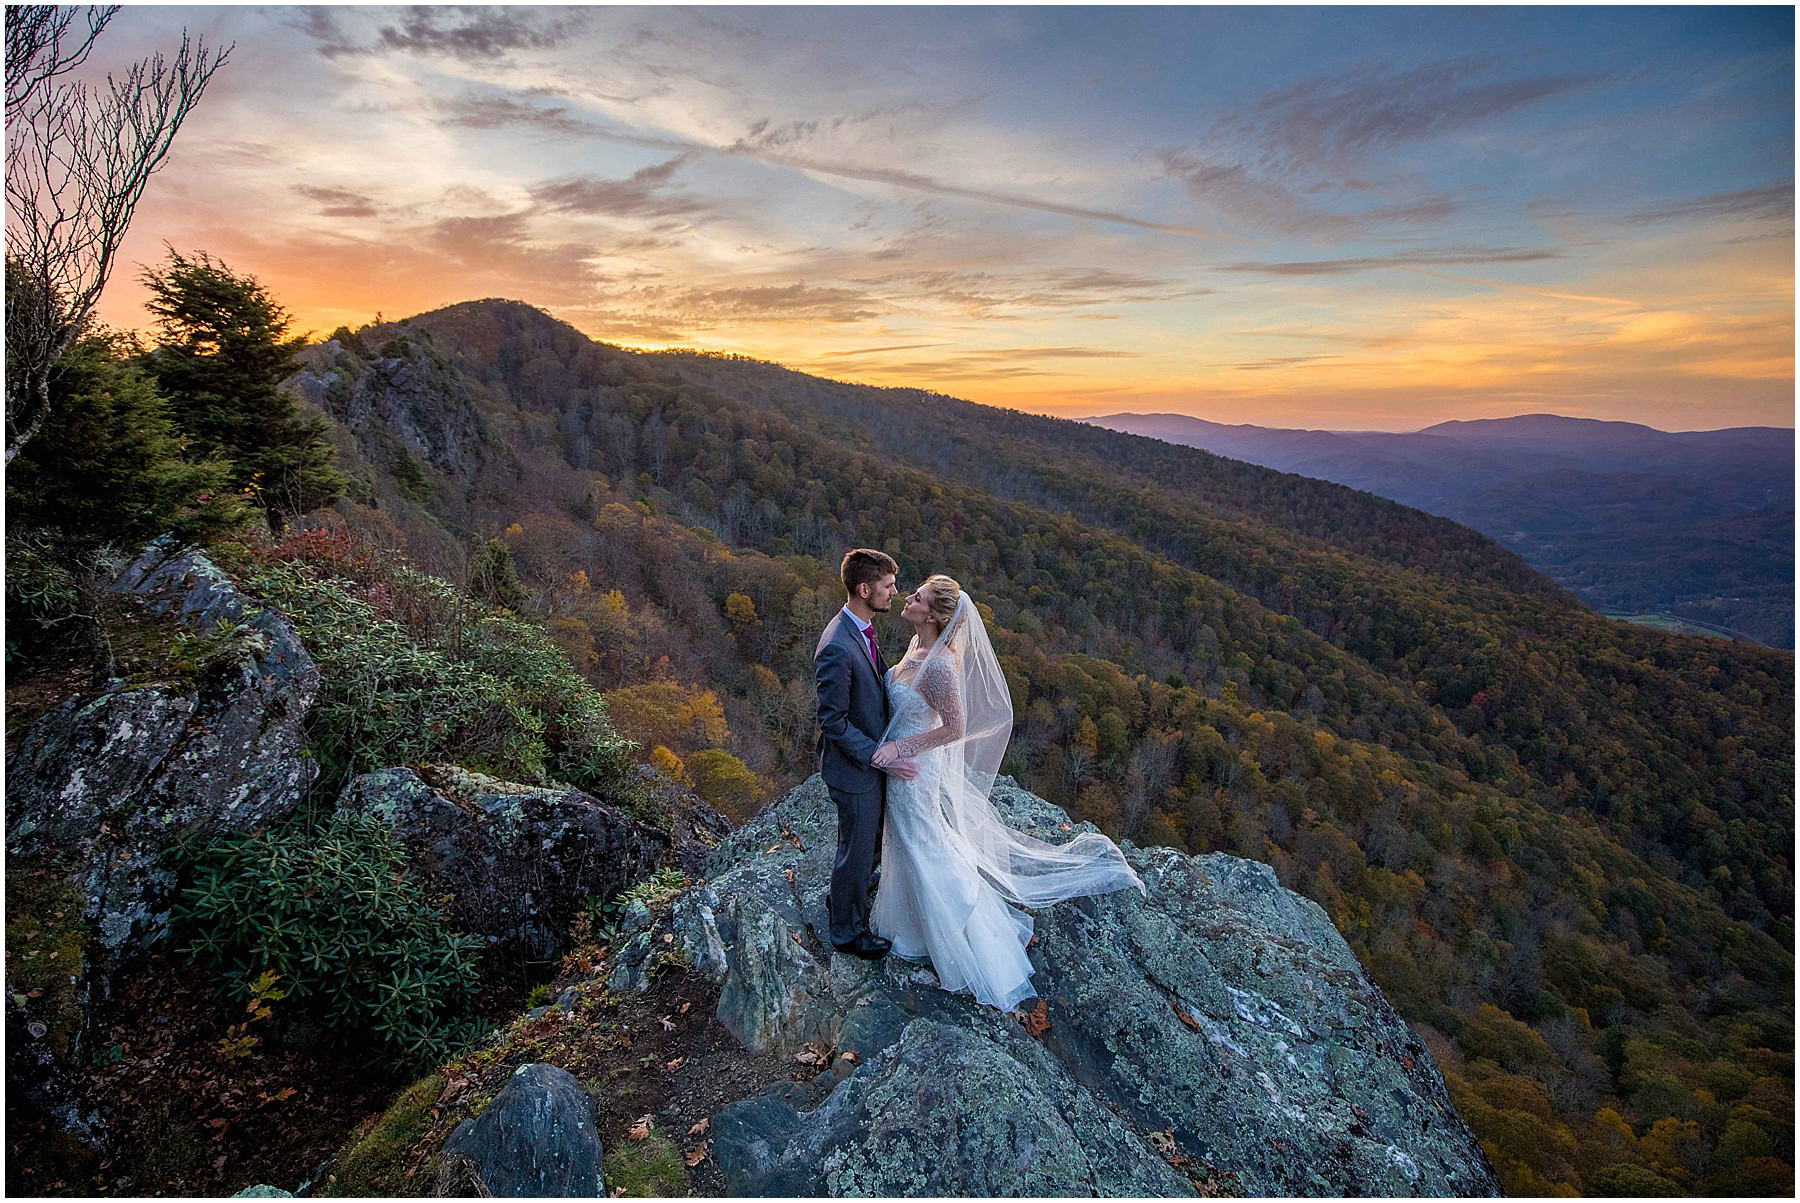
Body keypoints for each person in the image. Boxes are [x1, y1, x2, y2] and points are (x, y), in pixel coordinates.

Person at [870, 574, 1145, 1012]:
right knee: (905, 839)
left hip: (913, 770)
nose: (909, 597)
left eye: (918, 596)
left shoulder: (940, 665)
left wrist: (899, 748)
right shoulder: (914, 650)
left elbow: (956, 728)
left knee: (923, 841)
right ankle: (913, 921)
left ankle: (956, 919)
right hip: (901, 767)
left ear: (936, 615)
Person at [815, 548, 918, 960]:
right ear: (864, 588)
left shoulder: (861, 629)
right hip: (853, 769)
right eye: (888, 586)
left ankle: (845, 893)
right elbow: (833, 721)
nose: (895, 592)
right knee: (857, 848)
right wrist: (878, 755)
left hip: (868, 764)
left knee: (866, 844)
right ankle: (846, 931)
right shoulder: (837, 645)